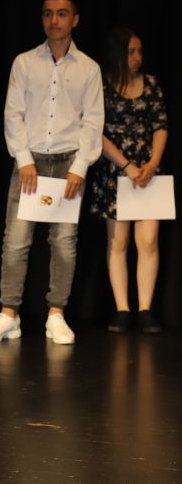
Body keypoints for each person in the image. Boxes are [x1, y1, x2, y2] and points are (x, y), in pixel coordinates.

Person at [0, 0, 104, 345]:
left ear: (75, 20)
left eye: (62, 13)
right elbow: (13, 113)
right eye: (48, 13)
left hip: (67, 163)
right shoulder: (25, 62)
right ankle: (8, 315)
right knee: (16, 241)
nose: (54, 20)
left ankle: (56, 314)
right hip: (29, 164)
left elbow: (93, 120)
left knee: (63, 242)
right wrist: (24, 160)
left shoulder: (89, 68)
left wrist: (80, 166)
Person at [90, 26, 168, 334]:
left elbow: (160, 125)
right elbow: (95, 131)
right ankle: (122, 309)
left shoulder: (151, 84)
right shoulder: (103, 86)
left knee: (148, 241)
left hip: (147, 172)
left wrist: (152, 163)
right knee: (118, 241)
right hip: (116, 171)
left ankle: (145, 309)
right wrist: (126, 165)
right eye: (131, 51)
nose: (137, 57)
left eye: (139, 51)